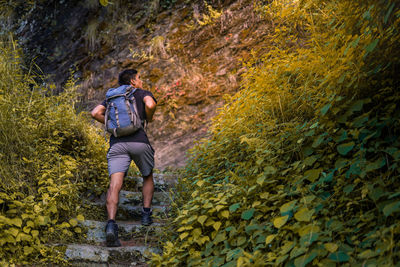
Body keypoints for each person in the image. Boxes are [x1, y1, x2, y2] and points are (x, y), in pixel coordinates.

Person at [91, 69, 157, 247]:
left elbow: (95, 112)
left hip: (117, 144)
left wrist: (111, 125)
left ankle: (111, 224)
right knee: (147, 175)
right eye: (140, 78)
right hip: (139, 142)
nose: (141, 81)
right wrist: (147, 118)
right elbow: (150, 105)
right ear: (133, 82)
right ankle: (145, 214)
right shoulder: (142, 93)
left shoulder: (112, 97)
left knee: (115, 183)